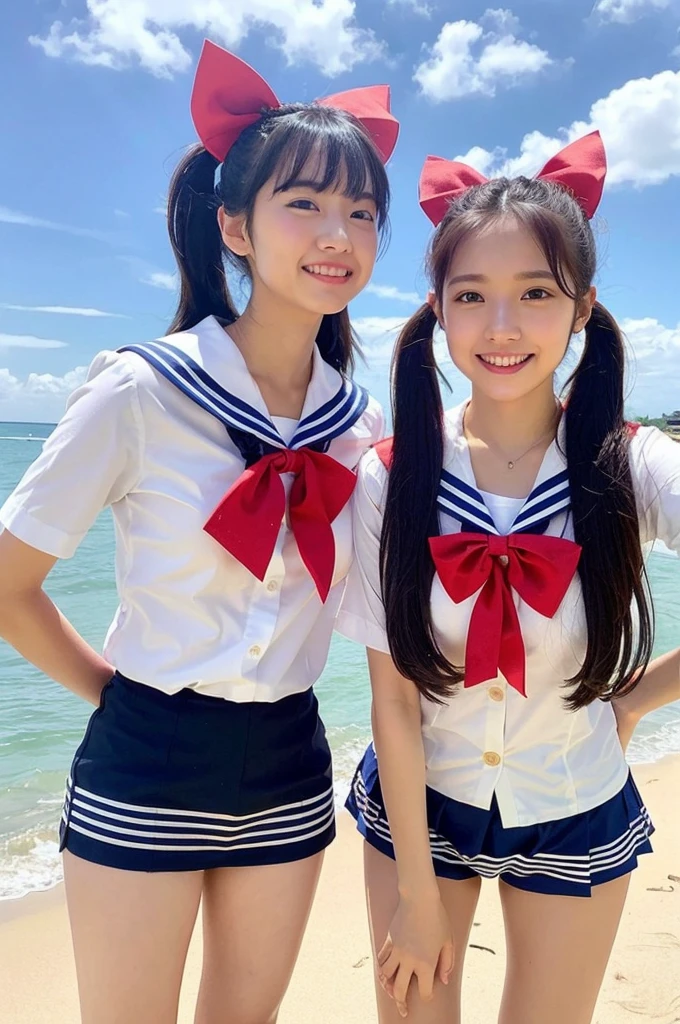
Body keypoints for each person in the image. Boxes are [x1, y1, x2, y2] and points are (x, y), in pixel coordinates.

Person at [0, 40, 398, 1024]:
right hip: (145, 752)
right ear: (232, 223)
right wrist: (112, 693)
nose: (335, 231)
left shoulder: (362, 425)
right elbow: (9, 581)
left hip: (291, 759)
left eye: (358, 210)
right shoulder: (140, 390)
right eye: (303, 202)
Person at [337, 132, 680, 1024]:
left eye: (535, 293)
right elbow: (393, 701)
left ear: (582, 309)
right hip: (424, 806)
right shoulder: (394, 469)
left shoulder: (631, 461)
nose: (501, 327)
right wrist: (414, 894)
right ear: (438, 313)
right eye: (472, 296)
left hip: (575, 798)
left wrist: (637, 699)